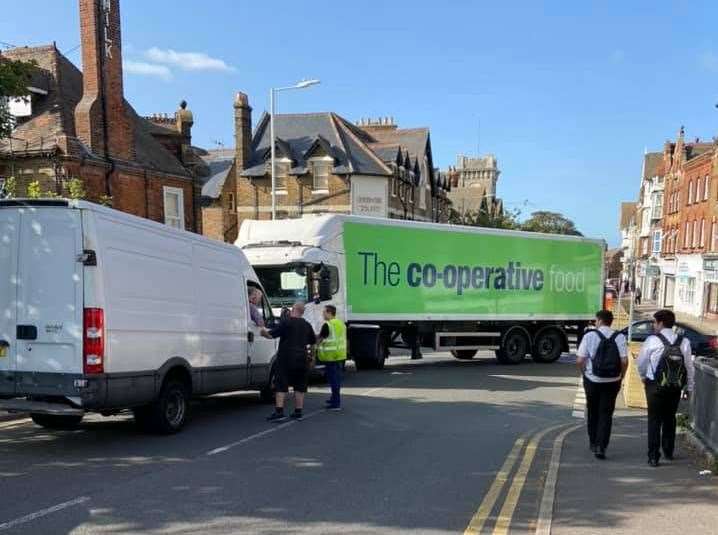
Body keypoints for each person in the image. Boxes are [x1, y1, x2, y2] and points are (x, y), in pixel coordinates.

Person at [637, 309, 694, 467]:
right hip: (675, 387)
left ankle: (653, 456)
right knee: (670, 418)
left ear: (661, 323)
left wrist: (643, 377)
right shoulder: (684, 342)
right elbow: (689, 367)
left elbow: (641, 362)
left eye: (655, 322)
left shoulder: (652, 340)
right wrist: (689, 387)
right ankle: (668, 451)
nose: (654, 326)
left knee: (654, 420)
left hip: (654, 385)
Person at [576, 310, 628, 459]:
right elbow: (624, 361)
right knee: (606, 413)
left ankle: (593, 442)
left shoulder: (589, 336)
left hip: (592, 380)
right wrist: (621, 376)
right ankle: (601, 447)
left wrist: (585, 372)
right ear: (611, 321)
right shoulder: (619, 337)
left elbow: (580, 360)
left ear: (599, 321)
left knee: (592, 411)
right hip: (612, 381)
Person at [261, 301, 316, 422]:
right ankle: (298, 412)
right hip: (302, 359)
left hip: (285, 358)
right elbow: (313, 342)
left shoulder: (286, 322)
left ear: (294, 309)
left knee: (281, 384)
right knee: (300, 386)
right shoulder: (307, 325)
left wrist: (262, 331)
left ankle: (279, 412)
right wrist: (312, 357)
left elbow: (271, 335)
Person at [316, 305, 347, 411]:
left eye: (324, 312)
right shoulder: (341, 324)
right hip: (339, 355)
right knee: (336, 379)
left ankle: (336, 403)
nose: (323, 314)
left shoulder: (327, 325)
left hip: (330, 356)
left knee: (333, 380)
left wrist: (314, 345)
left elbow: (320, 339)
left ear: (329, 313)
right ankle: (334, 399)